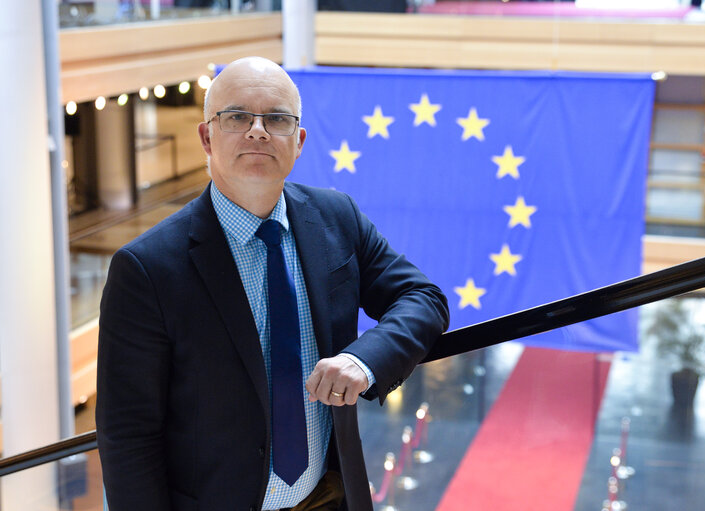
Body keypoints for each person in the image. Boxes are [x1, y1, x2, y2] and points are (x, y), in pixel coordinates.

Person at [96, 56, 449, 511]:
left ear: (298, 141)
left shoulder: (337, 217)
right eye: (238, 116)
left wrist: (364, 360)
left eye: (276, 118)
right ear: (207, 136)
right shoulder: (146, 268)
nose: (258, 131)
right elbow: (128, 437)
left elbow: (423, 298)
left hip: (329, 498)